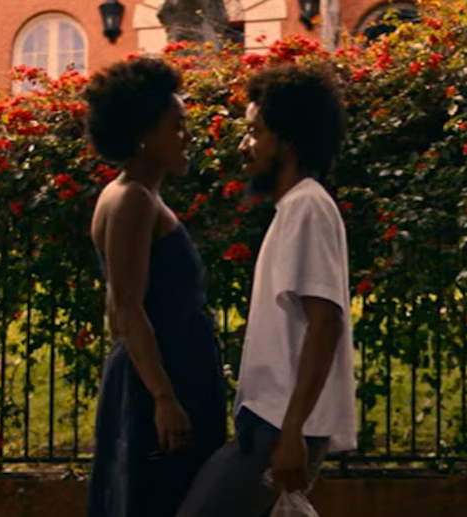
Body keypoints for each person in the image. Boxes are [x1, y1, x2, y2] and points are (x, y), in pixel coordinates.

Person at [176, 63, 355, 517]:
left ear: (287, 141)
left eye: (255, 132)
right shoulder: (295, 207)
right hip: (270, 421)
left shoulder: (308, 207)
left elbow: (326, 323)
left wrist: (293, 431)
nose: (243, 145)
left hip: (281, 425)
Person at [83, 57, 228, 517]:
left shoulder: (137, 196)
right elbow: (126, 308)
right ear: (142, 135)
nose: (187, 136)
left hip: (167, 374)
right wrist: (163, 398)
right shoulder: (132, 200)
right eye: (176, 125)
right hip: (161, 380)